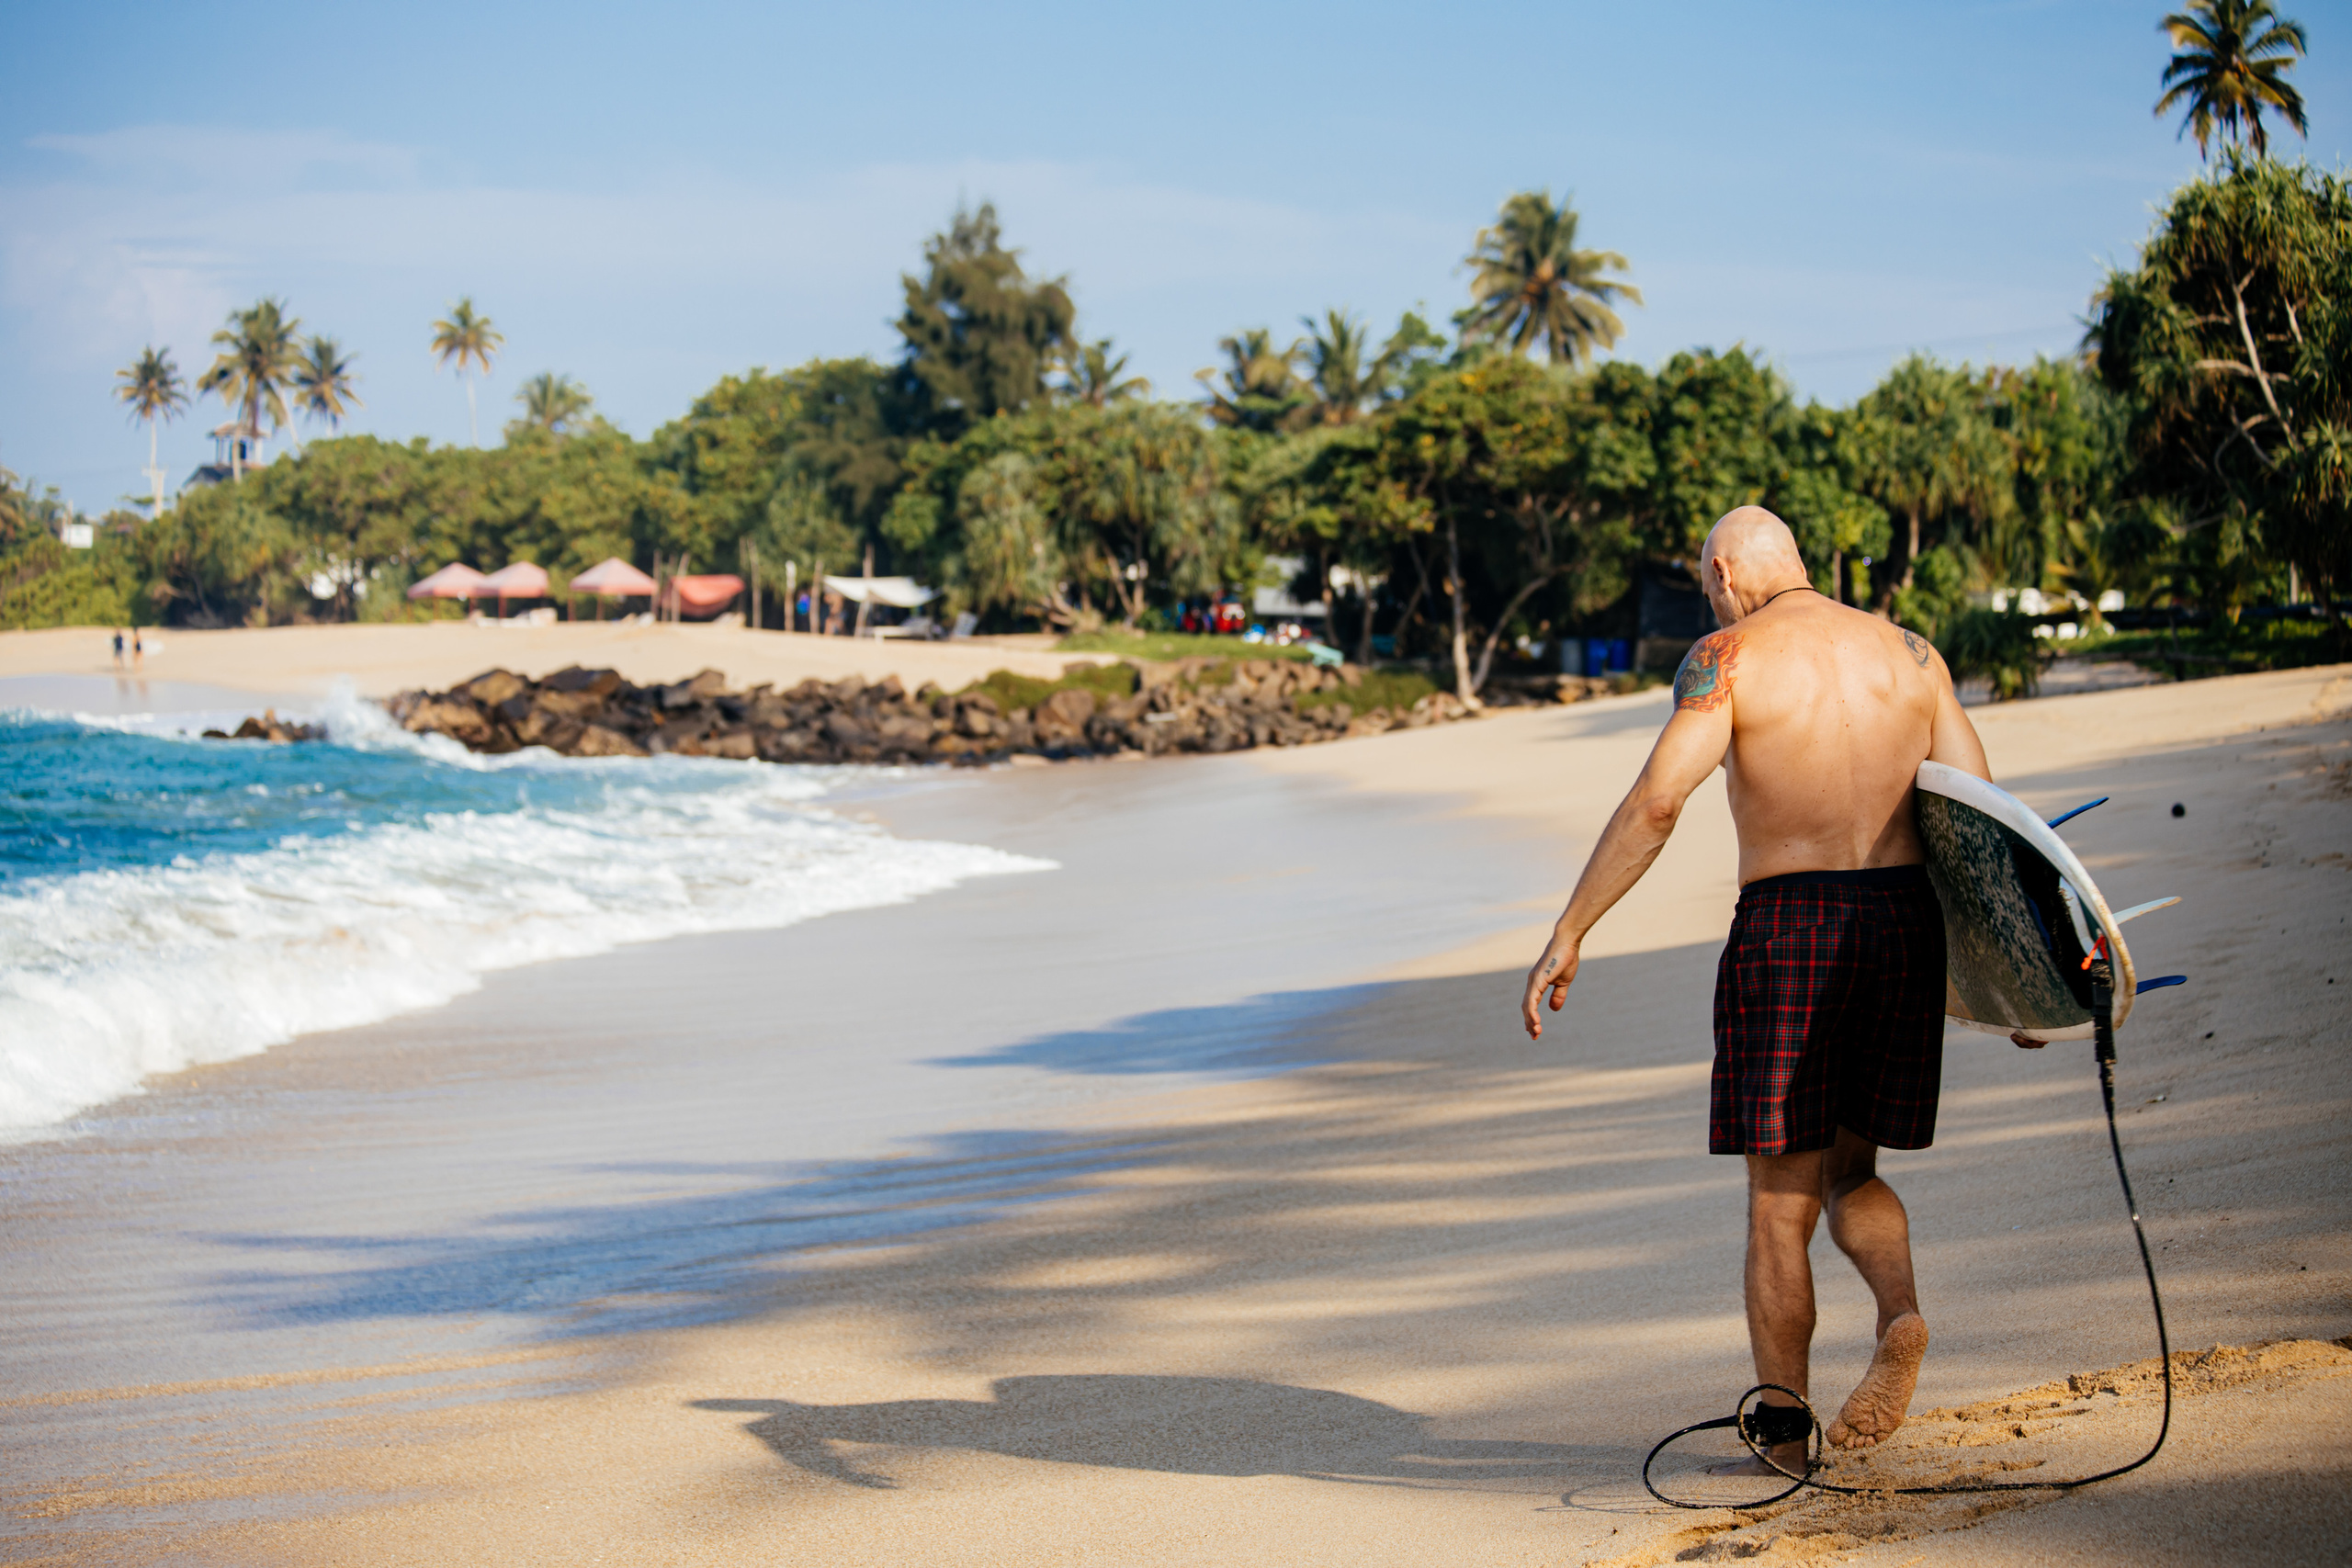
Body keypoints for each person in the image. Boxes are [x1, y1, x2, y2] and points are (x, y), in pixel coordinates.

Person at [1518, 506, 1992, 1477]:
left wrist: (1571, 927)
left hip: (1792, 926)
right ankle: (1900, 1316)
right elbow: (1980, 817)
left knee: (1780, 1203)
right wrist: (2008, 977)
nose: (1709, 601)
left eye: (1706, 585)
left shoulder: (1726, 657)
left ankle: (1782, 1439)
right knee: (1852, 1172)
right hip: (1903, 921)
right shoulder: (1910, 654)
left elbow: (1659, 802)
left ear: (1727, 574)